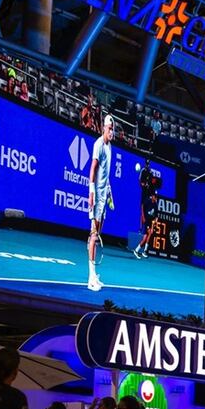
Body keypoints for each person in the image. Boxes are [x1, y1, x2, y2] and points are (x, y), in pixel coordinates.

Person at [87, 114, 115, 291]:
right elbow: (93, 168)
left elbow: (106, 175)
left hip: (104, 196)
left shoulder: (110, 147)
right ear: (103, 128)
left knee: (96, 237)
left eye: (113, 129)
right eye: (109, 128)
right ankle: (90, 278)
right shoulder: (98, 145)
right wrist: (91, 191)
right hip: (96, 196)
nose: (111, 132)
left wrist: (110, 193)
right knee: (94, 235)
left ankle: (94, 274)